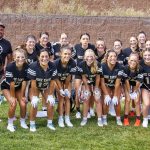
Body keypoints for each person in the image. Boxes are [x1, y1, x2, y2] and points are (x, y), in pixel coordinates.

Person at [27, 48, 63, 132]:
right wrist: (35, 96)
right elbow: (33, 83)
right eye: (42, 56)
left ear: (49, 57)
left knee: (51, 102)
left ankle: (50, 123)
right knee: (34, 103)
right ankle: (32, 124)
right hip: (34, 86)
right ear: (38, 57)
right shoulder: (33, 66)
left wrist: (50, 95)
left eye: (46, 56)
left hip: (46, 85)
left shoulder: (52, 65)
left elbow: (53, 81)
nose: (44, 58)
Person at [1, 48, 28, 132]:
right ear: (14, 57)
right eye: (18, 57)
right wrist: (12, 97)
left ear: (25, 57)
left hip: (18, 87)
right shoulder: (10, 66)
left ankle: (22, 122)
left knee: (23, 103)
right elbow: (11, 83)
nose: (20, 59)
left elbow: (24, 82)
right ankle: (10, 124)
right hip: (7, 87)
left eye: (22, 57)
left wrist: (23, 95)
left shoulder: (27, 66)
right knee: (13, 103)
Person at [72, 33, 95, 119]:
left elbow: (95, 59)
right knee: (78, 91)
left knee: (89, 92)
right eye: (83, 38)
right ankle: (78, 110)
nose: (85, 40)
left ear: (89, 40)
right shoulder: (77, 47)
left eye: (87, 39)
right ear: (80, 40)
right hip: (79, 72)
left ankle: (89, 109)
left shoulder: (92, 47)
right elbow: (72, 57)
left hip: (89, 72)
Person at [78, 49, 103, 126]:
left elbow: (98, 77)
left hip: (96, 82)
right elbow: (83, 77)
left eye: (91, 56)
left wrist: (95, 88)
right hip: (87, 82)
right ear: (85, 57)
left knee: (97, 98)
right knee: (86, 98)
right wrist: (87, 88)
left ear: (94, 57)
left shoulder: (98, 64)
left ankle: (99, 119)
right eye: (88, 56)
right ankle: (84, 118)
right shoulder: (81, 64)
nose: (89, 58)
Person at [54, 45, 76, 127]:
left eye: (69, 54)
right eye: (65, 54)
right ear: (61, 54)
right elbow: (55, 79)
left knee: (67, 97)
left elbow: (69, 77)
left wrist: (66, 89)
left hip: (67, 81)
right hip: (56, 81)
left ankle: (67, 118)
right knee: (61, 98)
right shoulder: (55, 63)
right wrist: (60, 89)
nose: (67, 56)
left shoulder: (73, 62)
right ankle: (60, 118)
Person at [101, 49, 124, 126]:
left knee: (116, 101)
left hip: (116, 85)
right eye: (111, 56)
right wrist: (107, 95)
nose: (113, 58)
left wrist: (115, 96)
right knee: (106, 100)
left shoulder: (120, 66)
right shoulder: (102, 66)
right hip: (106, 85)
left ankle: (118, 118)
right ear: (107, 58)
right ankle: (104, 118)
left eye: (114, 56)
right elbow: (102, 82)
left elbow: (117, 83)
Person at [123, 52, 143, 126]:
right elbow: (127, 81)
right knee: (128, 99)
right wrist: (129, 92)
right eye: (131, 60)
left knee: (137, 100)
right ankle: (125, 118)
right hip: (127, 83)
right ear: (128, 61)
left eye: (135, 61)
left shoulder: (140, 68)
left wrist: (134, 92)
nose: (133, 62)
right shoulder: (125, 68)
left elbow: (138, 82)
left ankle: (138, 119)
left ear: (137, 62)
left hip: (136, 84)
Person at [35, 32, 53, 110]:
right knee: (36, 89)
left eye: (46, 38)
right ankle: (34, 108)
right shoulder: (36, 46)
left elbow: (52, 56)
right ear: (39, 39)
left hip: (46, 69)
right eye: (43, 38)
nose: (45, 39)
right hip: (37, 69)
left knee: (46, 88)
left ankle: (44, 108)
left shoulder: (49, 46)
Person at [141, 49, 150, 127]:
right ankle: (145, 119)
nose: (147, 57)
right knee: (147, 103)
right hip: (145, 86)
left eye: (149, 55)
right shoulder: (140, 64)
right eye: (145, 55)